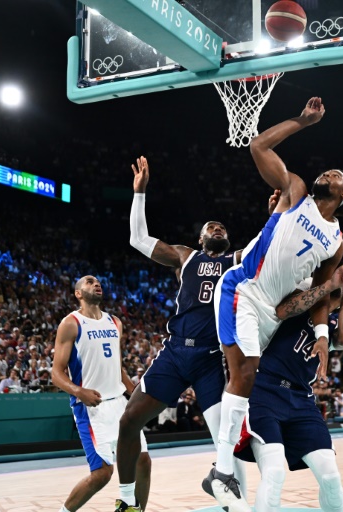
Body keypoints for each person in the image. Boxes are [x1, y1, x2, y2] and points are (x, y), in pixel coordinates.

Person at [205, 97, 343, 512]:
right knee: (245, 372)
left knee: (245, 376)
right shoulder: (293, 191)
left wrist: (325, 334)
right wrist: (303, 121)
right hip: (243, 289)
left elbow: (319, 295)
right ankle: (221, 471)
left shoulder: (336, 241)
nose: (325, 173)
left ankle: (224, 472)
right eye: (326, 170)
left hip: (271, 312)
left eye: (334, 175)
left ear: (342, 196)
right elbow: (258, 146)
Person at [116, 156, 251, 511]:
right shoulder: (184, 256)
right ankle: (128, 500)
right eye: (212, 227)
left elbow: (269, 248)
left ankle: (236, 505)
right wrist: (140, 193)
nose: (218, 229)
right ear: (200, 236)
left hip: (211, 358)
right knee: (129, 420)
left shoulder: (237, 259)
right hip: (175, 353)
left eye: (222, 228)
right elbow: (137, 238)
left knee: (228, 442)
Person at [234, 255, 343, 512]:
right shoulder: (300, 291)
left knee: (331, 477)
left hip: (302, 399)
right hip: (265, 391)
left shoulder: (335, 320)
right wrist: (329, 284)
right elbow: (282, 310)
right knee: (274, 472)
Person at [51, 275, 151, 512]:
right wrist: (79, 391)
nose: (95, 284)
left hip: (119, 403)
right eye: (88, 282)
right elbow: (56, 373)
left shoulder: (115, 322)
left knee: (143, 461)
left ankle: (136, 510)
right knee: (102, 473)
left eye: (97, 282)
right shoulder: (70, 323)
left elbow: (117, 366)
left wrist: (134, 393)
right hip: (91, 408)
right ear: (78, 293)